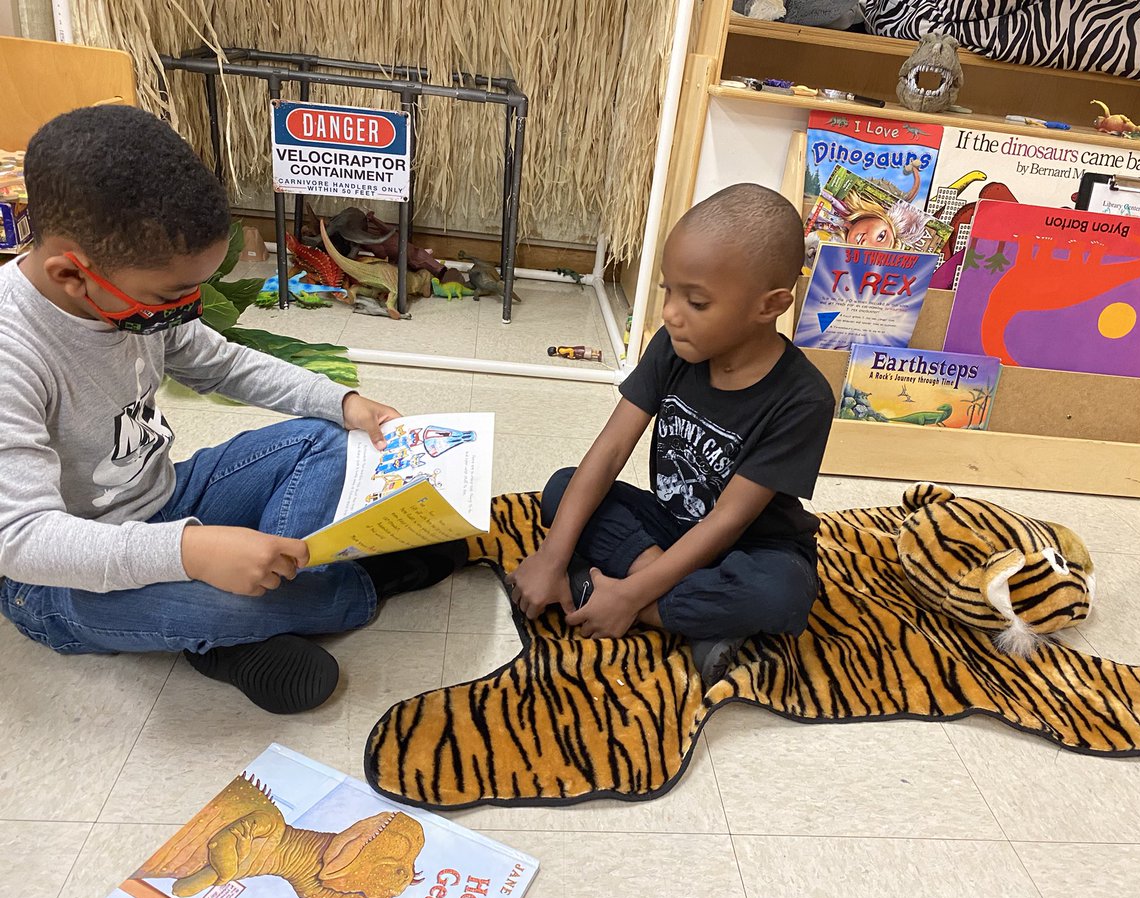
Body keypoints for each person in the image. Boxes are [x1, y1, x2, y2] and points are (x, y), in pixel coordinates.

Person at [0, 105, 464, 714]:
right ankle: (342, 591)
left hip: (169, 497)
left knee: (328, 438)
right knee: (228, 601)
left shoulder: (133, 296)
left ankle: (241, 624)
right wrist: (192, 554)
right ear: (70, 274)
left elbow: (223, 364)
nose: (188, 307)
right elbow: (22, 539)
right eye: (170, 295)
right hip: (57, 581)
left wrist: (345, 403)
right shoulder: (11, 351)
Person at [506, 183, 835, 686]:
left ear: (769, 306)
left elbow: (727, 521)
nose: (670, 314)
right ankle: (687, 617)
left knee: (781, 594)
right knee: (562, 487)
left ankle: (612, 597)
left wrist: (629, 597)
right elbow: (611, 450)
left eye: (696, 302)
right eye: (668, 291)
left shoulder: (803, 398)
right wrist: (552, 555)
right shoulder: (673, 346)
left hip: (753, 546)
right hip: (672, 525)